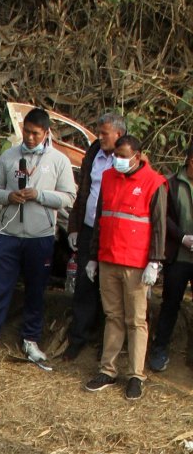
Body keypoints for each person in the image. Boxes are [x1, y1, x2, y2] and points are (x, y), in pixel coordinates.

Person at [0, 108, 76, 362]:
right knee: (0, 287)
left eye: (35, 133)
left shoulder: (58, 161)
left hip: (40, 237)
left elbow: (69, 197)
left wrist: (39, 195)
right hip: (9, 234)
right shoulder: (9, 156)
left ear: (46, 133)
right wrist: (8, 197)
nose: (29, 137)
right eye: (26, 131)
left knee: (36, 291)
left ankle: (31, 341)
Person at [83, 136, 167, 400]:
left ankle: (135, 375)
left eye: (123, 155)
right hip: (108, 258)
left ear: (138, 155)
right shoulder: (108, 178)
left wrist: (155, 261)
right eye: (116, 155)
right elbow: (100, 219)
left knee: (136, 320)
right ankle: (107, 370)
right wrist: (93, 256)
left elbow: (159, 226)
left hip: (136, 263)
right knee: (113, 316)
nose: (117, 159)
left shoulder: (154, 183)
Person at [63, 113, 127, 361]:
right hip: (89, 227)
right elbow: (84, 192)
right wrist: (74, 226)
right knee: (84, 285)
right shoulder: (94, 153)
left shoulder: (127, 158)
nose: (99, 137)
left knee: (110, 288)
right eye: (98, 132)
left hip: (113, 231)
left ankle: (107, 343)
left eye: (104, 133)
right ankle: (78, 337)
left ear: (119, 135)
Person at [149, 142, 193, 372]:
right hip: (178, 256)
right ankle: (160, 349)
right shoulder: (171, 183)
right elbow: (162, 216)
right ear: (190, 160)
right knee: (170, 304)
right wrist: (183, 237)